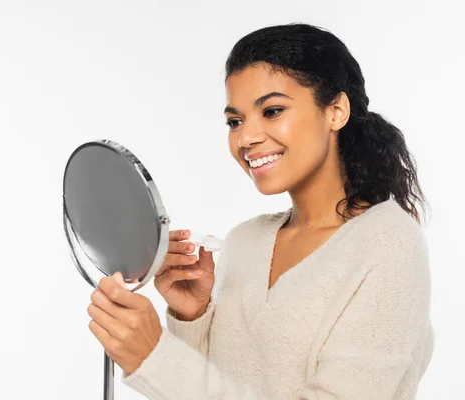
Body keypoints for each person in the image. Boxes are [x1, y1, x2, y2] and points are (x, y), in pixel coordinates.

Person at [87, 23, 433, 399]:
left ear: (335, 111)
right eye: (235, 121)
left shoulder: (388, 246)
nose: (246, 138)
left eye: (272, 111)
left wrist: (155, 357)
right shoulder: (246, 241)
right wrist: (192, 317)